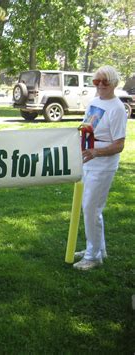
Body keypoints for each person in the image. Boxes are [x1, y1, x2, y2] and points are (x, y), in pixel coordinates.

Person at [73, 65, 127, 271]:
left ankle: (93, 256)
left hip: (103, 166)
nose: (101, 85)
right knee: (92, 208)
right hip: (88, 161)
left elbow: (119, 144)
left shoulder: (118, 108)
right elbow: (87, 127)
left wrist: (96, 152)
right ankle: (97, 248)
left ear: (114, 83)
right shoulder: (94, 102)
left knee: (90, 208)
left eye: (105, 81)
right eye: (97, 81)